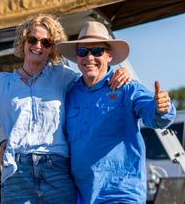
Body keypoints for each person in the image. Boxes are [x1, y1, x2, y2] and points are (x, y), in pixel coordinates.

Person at [0, 14, 131, 204]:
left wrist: (118, 76)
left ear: (52, 48)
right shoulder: (3, 84)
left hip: (56, 171)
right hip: (17, 174)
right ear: (23, 40)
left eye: (46, 42)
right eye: (33, 39)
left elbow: (93, 83)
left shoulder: (62, 76)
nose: (38, 45)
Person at [57, 20, 176, 204]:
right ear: (77, 57)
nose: (89, 57)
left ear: (109, 56)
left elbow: (153, 116)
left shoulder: (126, 87)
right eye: (83, 51)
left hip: (121, 194)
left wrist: (162, 107)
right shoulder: (69, 93)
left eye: (97, 51)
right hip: (83, 195)